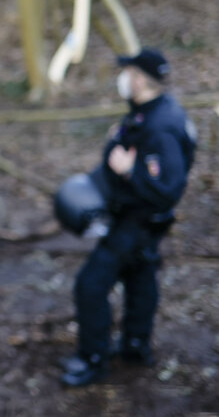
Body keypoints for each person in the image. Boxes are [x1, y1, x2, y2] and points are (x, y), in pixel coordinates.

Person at [60, 49, 197, 387]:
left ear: (139, 80)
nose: (124, 79)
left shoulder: (161, 126)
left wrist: (129, 171)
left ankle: (92, 359)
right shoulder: (150, 112)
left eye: (130, 73)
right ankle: (135, 347)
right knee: (140, 278)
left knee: (91, 285)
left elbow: (168, 189)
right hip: (140, 220)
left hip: (137, 221)